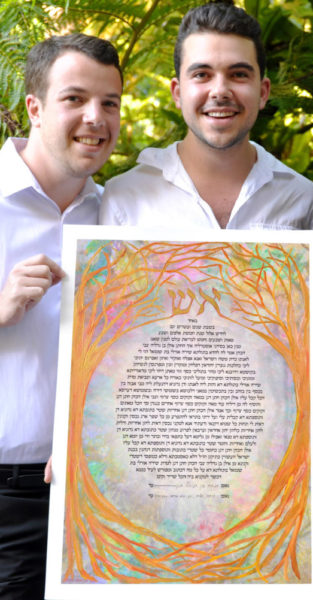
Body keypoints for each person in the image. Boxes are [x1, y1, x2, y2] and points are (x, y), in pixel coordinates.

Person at [0, 33, 122, 600]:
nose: (95, 119)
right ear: (34, 107)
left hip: (101, 495)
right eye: (74, 99)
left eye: (109, 102)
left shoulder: (122, 215)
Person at [100, 0, 313, 230]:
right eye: (202, 75)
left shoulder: (306, 202)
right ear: (177, 93)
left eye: (238, 74)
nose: (220, 91)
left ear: (263, 92)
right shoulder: (125, 198)